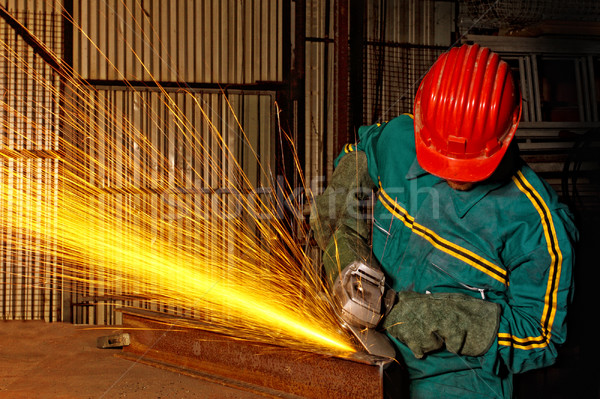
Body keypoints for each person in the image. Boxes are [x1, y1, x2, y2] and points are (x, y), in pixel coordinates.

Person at [310, 44, 578, 398]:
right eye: (439, 158)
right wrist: (343, 235)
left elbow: (542, 338)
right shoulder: (401, 138)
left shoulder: (537, 228)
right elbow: (361, 155)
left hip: (452, 382)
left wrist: (443, 320)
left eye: (466, 166)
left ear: (508, 131)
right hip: (360, 350)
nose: (451, 174)